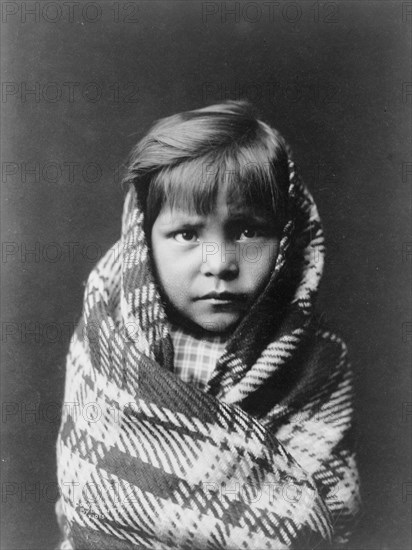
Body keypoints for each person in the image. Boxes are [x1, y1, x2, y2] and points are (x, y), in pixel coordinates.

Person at [56, 101, 361, 549]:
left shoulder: (318, 358)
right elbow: (86, 483)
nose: (219, 265)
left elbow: (333, 507)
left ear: (287, 238)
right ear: (143, 239)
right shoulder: (111, 337)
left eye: (247, 231)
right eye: (187, 234)